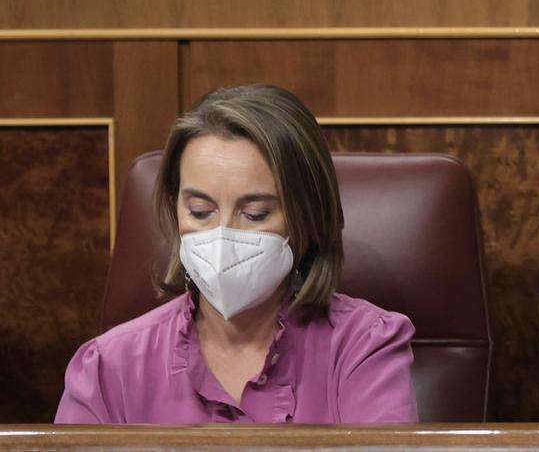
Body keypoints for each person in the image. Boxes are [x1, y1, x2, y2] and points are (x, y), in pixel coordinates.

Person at [56, 84, 418, 423]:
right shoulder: (107, 367)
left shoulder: (365, 349)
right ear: (174, 209)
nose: (222, 234)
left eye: (255, 214)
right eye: (200, 211)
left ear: (309, 220)